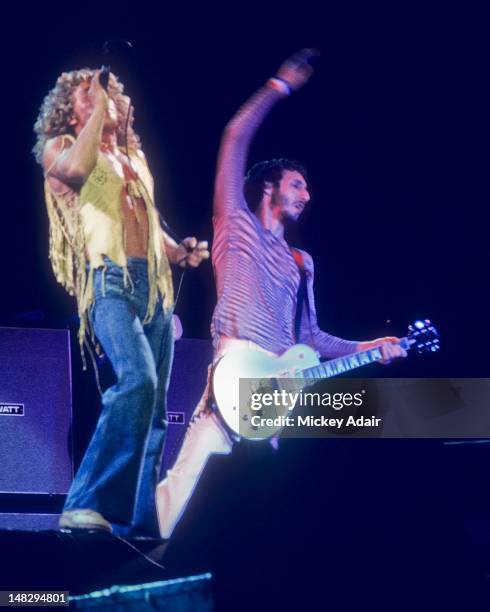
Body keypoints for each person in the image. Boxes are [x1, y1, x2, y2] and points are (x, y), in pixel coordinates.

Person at [156, 49, 406, 539]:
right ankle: (142, 557)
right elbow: (235, 135)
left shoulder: (300, 263)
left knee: (261, 496)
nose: (307, 194)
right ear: (268, 186)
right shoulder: (234, 221)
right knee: (188, 471)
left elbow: (310, 335)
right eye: (297, 184)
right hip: (234, 364)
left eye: (308, 188)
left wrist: (367, 347)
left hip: (278, 380)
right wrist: (280, 85)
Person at [33, 68, 209, 538]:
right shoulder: (62, 149)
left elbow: (146, 221)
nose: (103, 100)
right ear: (72, 110)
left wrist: (178, 251)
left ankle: (140, 519)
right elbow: (72, 174)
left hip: (151, 286)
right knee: (137, 381)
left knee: (153, 407)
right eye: (89, 96)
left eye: (106, 93)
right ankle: (83, 503)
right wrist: (95, 110)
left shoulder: (133, 156)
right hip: (106, 279)